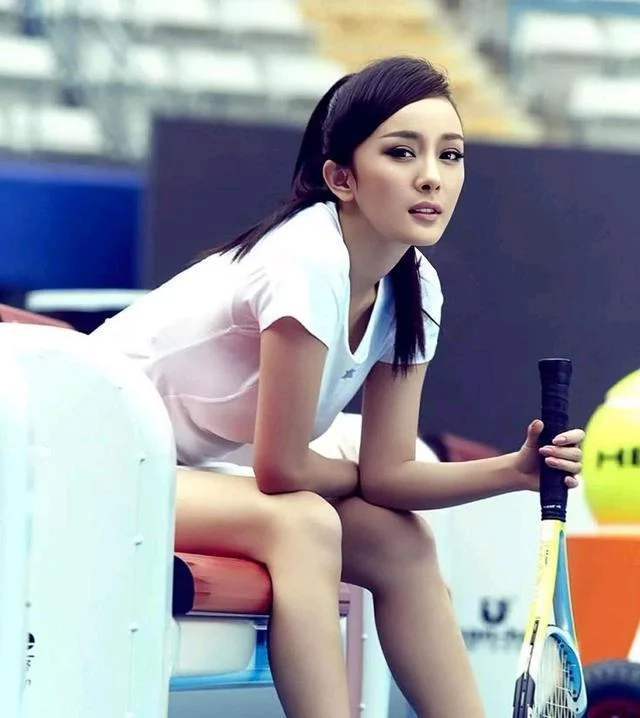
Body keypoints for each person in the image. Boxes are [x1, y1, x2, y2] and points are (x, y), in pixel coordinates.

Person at [92, 56, 583, 718]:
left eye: (450, 155)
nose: (432, 176)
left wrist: (515, 471)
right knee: (303, 521)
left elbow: (388, 475)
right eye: (402, 152)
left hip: (182, 471)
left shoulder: (416, 286)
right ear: (341, 178)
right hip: (94, 457)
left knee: (402, 542)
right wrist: (362, 477)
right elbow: (283, 470)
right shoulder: (306, 261)